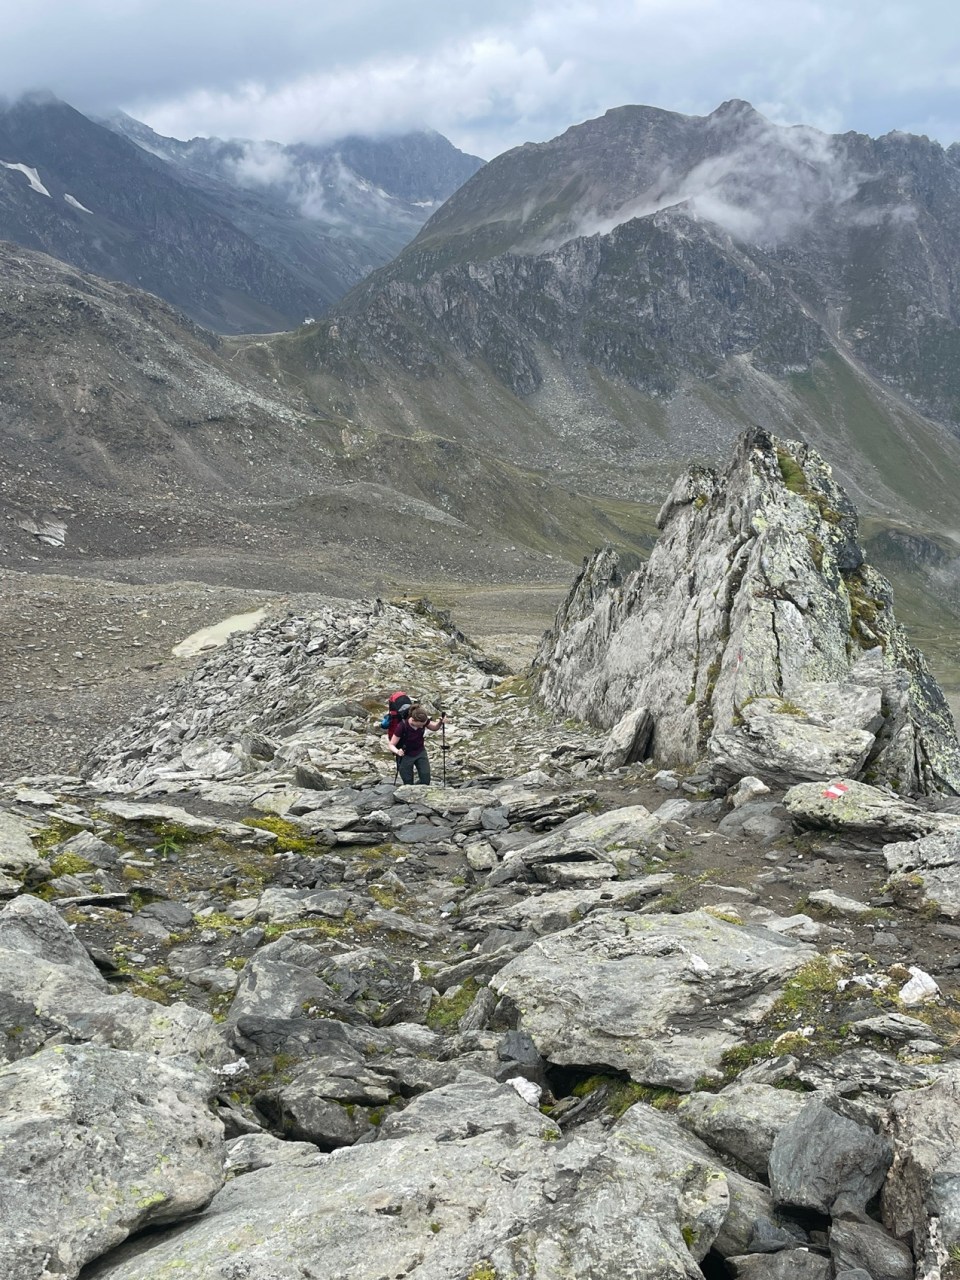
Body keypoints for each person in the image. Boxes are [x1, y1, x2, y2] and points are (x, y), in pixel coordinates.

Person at [389, 704, 445, 785]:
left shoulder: (423, 721)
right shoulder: (402, 726)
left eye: (423, 724)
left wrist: (440, 723)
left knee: (426, 778)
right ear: (413, 720)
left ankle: (420, 789)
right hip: (405, 755)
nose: (422, 727)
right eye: (420, 725)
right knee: (408, 781)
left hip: (420, 751)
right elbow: (391, 744)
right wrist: (397, 751)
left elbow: (434, 728)